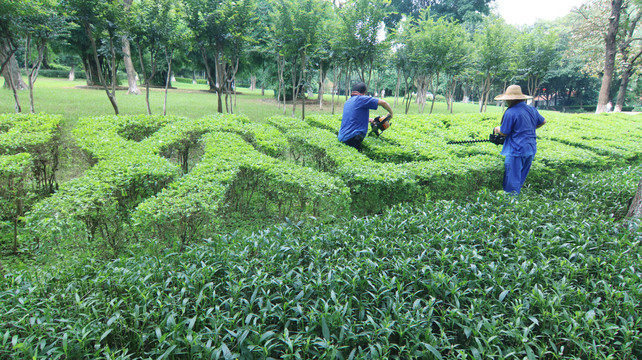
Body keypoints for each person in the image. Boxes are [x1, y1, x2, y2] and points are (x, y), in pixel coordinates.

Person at [493, 85, 546, 195]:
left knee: (511, 183)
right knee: (519, 180)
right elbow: (543, 121)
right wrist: (528, 128)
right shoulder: (531, 109)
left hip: (516, 151)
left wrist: (497, 129)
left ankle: (510, 207)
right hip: (530, 149)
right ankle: (516, 204)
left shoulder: (510, 112)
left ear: (510, 99)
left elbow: (504, 132)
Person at [338, 82, 394, 152]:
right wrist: (391, 113)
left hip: (342, 136)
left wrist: (369, 120)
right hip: (352, 138)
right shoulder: (361, 99)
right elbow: (383, 103)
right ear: (364, 92)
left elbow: (352, 116)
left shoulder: (348, 101)